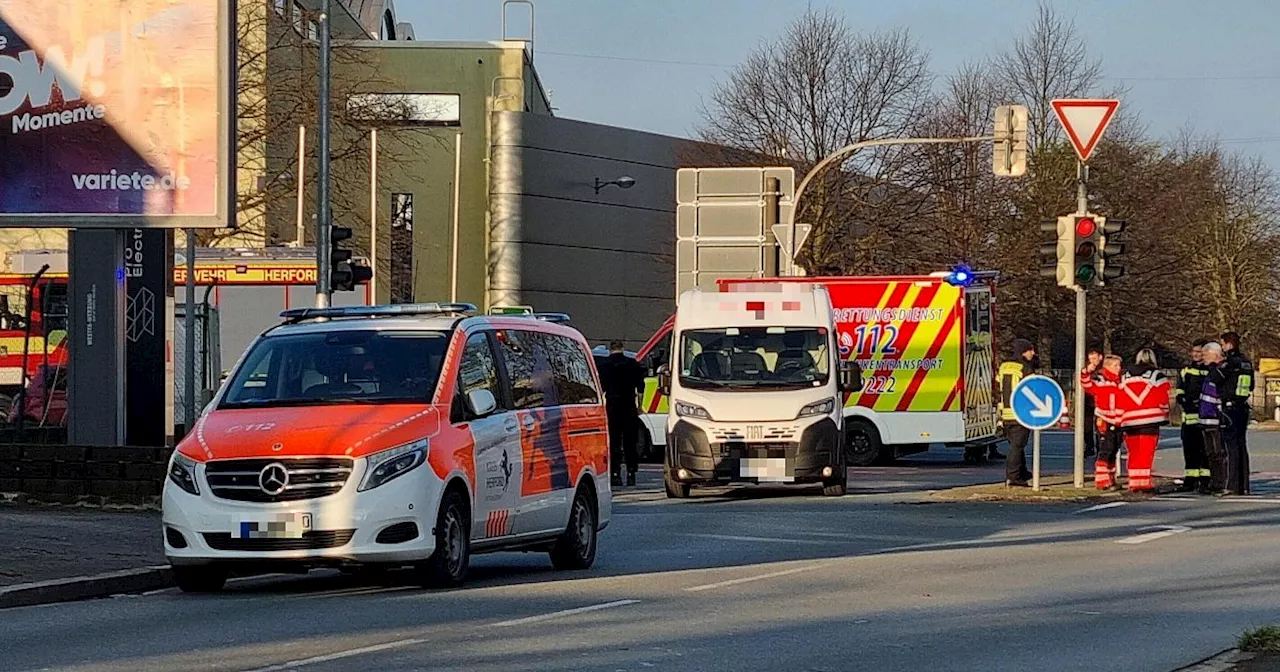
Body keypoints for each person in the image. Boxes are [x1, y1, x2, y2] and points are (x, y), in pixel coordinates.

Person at [1116, 348, 1171, 493]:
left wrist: (1119, 417)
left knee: (1133, 452)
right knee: (1146, 452)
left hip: (1129, 420)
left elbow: (1118, 397)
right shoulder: (1157, 375)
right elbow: (1163, 397)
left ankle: (1134, 483)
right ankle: (1144, 483)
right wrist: (1165, 413)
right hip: (1150, 419)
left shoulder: (1124, 376)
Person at [598, 340, 646, 487]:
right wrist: (640, 405)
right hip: (629, 406)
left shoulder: (605, 365)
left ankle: (615, 474)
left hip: (613, 407)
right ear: (622, 349)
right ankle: (631, 474)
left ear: (610, 350)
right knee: (630, 442)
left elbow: (601, 389)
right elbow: (641, 387)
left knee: (614, 442)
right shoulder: (632, 364)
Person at [997, 339, 1037, 487]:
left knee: (1015, 444)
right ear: (1023, 351)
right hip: (1020, 413)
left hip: (1005, 414)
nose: (1033, 353)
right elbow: (1033, 388)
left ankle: (1022, 472)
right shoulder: (1024, 367)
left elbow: (997, 385)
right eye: (1030, 350)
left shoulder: (1004, 366)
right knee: (1017, 446)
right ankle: (1014, 477)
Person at [1081, 354, 1124, 490]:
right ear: (1108, 367)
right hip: (1105, 419)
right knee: (1106, 448)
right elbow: (1086, 384)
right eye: (1116, 366)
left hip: (1118, 420)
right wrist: (1086, 371)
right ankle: (1101, 480)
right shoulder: (1100, 379)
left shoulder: (1121, 381)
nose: (1119, 368)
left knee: (1114, 448)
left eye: (1119, 365)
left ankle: (1111, 478)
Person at [1219, 332, 1254, 495]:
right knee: (1241, 445)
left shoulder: (1229, 363)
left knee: (1230, 446)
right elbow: (1252, 385)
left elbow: (1216, 379)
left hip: (1230, 407)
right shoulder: (1246, 362)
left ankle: (1232, 484)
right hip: (1243, 407)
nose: (1222, 347)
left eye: (1223, 344)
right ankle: (1244, 484)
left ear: (1229, 345)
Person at [1174, 340, 1210, 492]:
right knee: (1190, 451)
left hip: (1205, 418)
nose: (1195, 354)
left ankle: (1206, 482)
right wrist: (1183, 399)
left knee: (1206, 451)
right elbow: (1179, 389)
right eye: (1193, 351)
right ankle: (1190, 481)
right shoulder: (1185, 371)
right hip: (1188, 418)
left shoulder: (1211, 370)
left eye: (1199, 351)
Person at [1199, 341, 1229, 495]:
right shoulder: (1211, 372)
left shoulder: (1220, 371)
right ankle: (1214, 482)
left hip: (1215, 419)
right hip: (1206, 419)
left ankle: (1221, 483)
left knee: (1218, 453)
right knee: (1210, 453)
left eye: (1205, 354)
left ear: (1214, 355)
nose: (1202, 357)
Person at [1083, 348, 1104, 458]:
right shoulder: (1087, 369)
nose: (1092, 361)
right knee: (1086, 427)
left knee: (1100, 426)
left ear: (1100, 357)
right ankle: (1089, 446)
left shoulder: (1103, 370)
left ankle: (1100, 447)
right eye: (1090, 359)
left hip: (1099, 402)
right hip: (1087, 402)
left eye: (1094, 358)